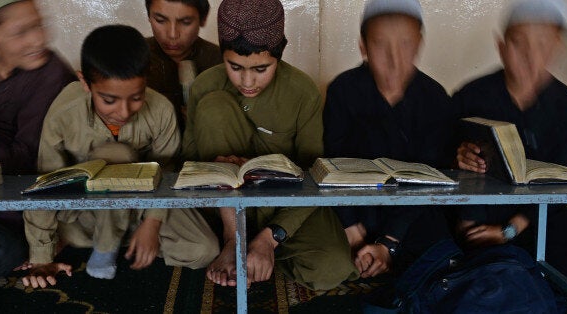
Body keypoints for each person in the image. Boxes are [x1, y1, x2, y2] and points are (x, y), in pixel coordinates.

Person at [22, 24, 219, 289]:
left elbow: (168, 173)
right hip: (88, 211)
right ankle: (106, 245)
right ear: (84, 82)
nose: (124, 111)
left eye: (136, 98)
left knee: (203, 250)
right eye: (109, 100)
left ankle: (125, 240)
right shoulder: (63, 113)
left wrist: (150, 224)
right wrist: (41, 257)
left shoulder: (160, 110)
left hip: (143, 203)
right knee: (114, 154)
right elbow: (45, 185)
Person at [182, 0, 358, 290]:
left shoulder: (302, 92)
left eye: (261, 68)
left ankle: (258, 251)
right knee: (214, 107)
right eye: (234, 66)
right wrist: (222, 169)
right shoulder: (205, 86)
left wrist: (270, 237)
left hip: (285, 203)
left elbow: (314, 173)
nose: (247, 81)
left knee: (332, 267)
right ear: (222, 54)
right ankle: (233, 242)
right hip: (225, 206)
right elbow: (189, 162)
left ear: (280, 54)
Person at [323, 0, 455, 294]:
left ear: (419, 44)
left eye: (405, 44)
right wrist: (351, 228)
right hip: (354, 209)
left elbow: (429, 175)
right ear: (363, 46)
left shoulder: (434, 98)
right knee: (327, 260)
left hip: (411, 211)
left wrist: (390, 242)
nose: (394, 59)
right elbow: (332, 164)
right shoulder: (343, 90)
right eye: (381, 45)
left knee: (444, 254)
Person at [454, 0, 567, 283]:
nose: (530, 55)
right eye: (519, 43)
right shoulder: (471, 96)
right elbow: (443, 165)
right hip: (479, 212)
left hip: (537, 217)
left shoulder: (566, 106)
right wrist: (457, 155)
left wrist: (510, 230)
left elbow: (564, 186)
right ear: (501, 47)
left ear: (556, 49)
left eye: (542, 45)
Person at [0, 0, 75, 286]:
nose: (38, 39)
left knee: (3, 249)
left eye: (39, 25)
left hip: (27, 186)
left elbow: (28, 159)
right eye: (21, 31)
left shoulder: (51, 72)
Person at [145, 0, 222, 133]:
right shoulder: (130, 59)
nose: (173, 34)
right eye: (160, 20)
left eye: (185, 22)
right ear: (149, 17)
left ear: (203, 19)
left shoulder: (222, 62)